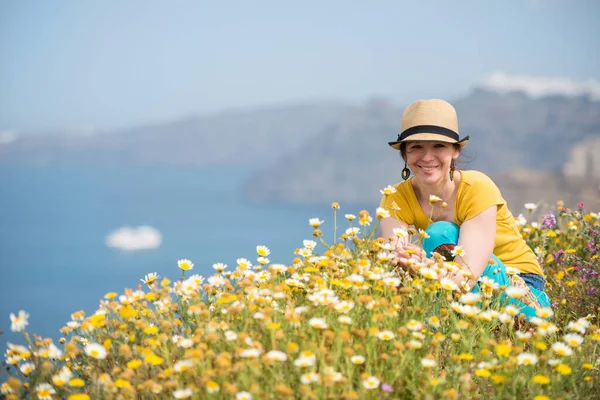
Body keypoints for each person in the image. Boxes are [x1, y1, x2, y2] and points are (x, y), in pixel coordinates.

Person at [379, 99, 550, 319]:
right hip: (453, 285)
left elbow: (466, 276)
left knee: (439, 233)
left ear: (455, 151)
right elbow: (392, 258)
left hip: (520, 286)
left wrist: (423, 267)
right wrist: (405, 260)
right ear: (404, 154)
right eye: (416, 147)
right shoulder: (395, 197)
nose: (427, 157)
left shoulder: (477, 187)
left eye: (439, 146)